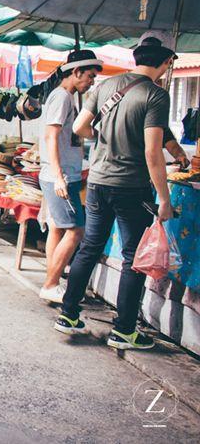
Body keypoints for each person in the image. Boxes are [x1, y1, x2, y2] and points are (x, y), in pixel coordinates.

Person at [56, 31, 177, 350]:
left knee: (90, 247)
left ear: (136, 58)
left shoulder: (106, 85)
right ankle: (124, 330)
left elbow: (80, 127)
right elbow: (153, 152)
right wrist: (164, 199)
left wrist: (106, 139)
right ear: (165, 62)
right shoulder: (156, 95)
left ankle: (68, 314)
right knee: (132, 257)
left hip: (97, 181)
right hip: (131, 186)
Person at [38, 50, 104, 304]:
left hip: (65, 173)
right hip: (60, 175)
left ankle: (51, 281)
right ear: (76, 72)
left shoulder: (70, 98)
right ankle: (51, 283)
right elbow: (51, 136)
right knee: (77, 230)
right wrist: (58, 176)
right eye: (89, 76)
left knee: (57, 228)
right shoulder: (62, 97)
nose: (91, 81)